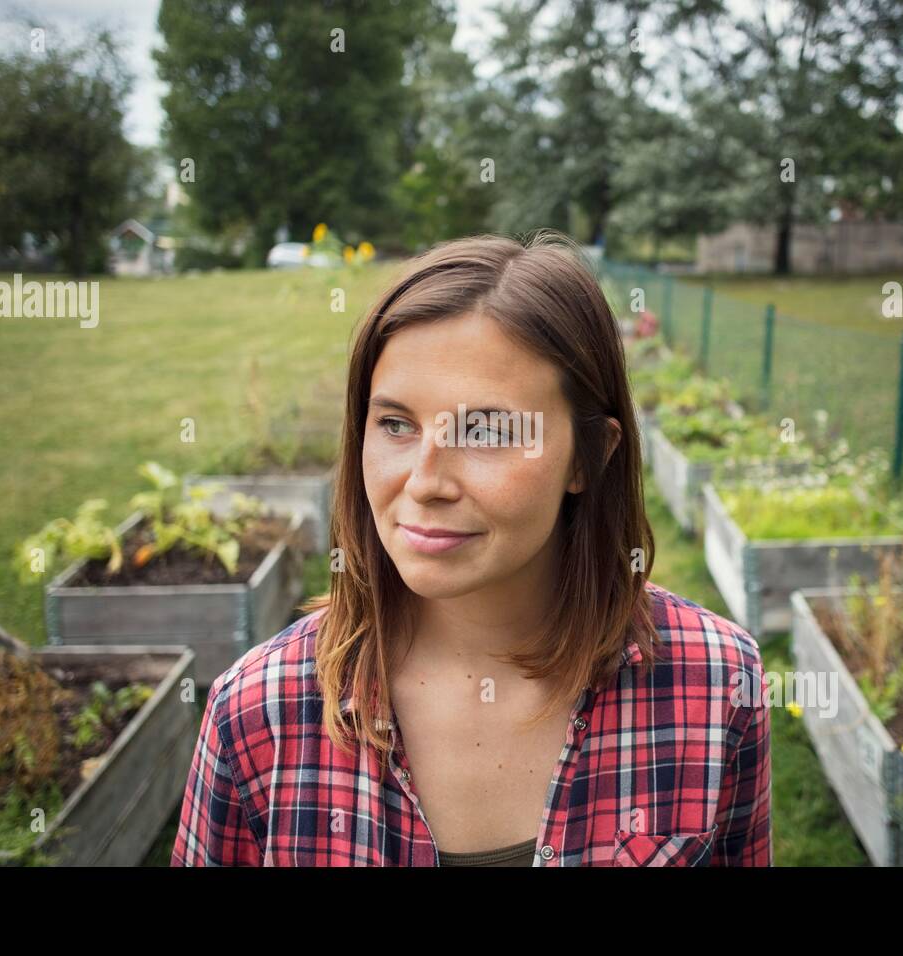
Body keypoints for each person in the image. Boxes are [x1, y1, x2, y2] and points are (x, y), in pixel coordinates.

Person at [172, 231, 771, 867]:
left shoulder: (717, 685)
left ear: (590, 456)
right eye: (396, 424)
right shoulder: (255, 714)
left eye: (484, 431)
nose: (425, 483)